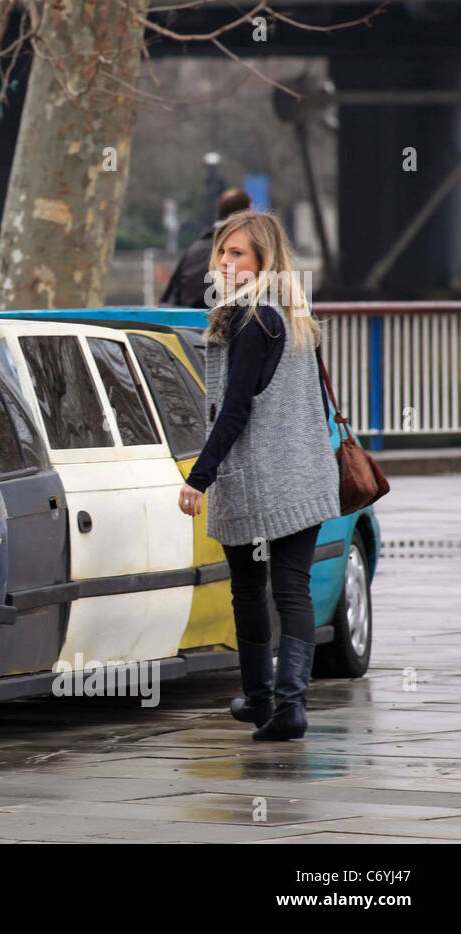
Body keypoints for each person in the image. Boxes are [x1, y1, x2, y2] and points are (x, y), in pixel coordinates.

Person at [176, 210, 340, 742]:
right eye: (222, 252)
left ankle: (266, 698)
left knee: (250, 588)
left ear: (263, 259)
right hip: (307, 472)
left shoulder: (249, 321)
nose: (223, 263)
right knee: (293, 588)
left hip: (259, 477)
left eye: (237, 254)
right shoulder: (296, 316)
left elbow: (235, 409)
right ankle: (287, 706)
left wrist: (199, 478)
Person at [160, 188, 253, 308]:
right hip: (219, 321)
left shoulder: (193, 250)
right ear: (245, 215)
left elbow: (170, 297)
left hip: (186, 322)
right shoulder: (243, 250)